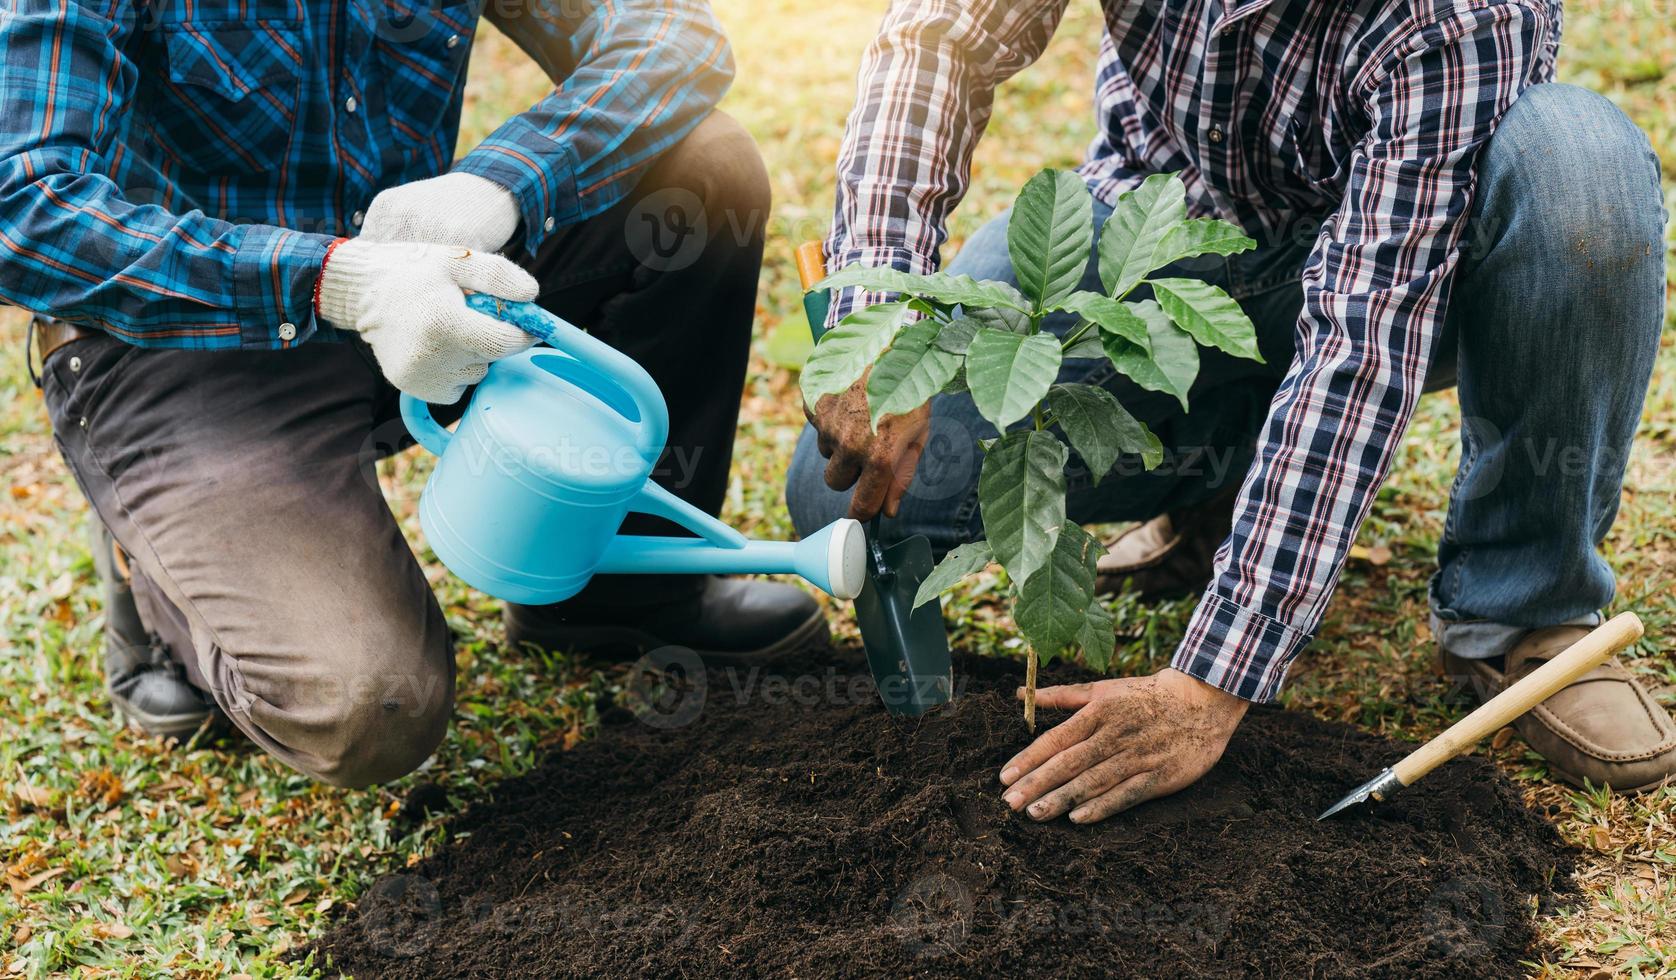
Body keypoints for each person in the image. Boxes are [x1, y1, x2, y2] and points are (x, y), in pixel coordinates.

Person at [788, 0, 1673, 823]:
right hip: (1157, 225)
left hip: (1410, 262)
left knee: (1579, 172)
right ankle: (1225, 486)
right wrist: (878, 312)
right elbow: (939, 40)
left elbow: (1361, 346)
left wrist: (1208, 684)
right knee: (845, 498)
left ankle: (1525, 602)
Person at [3, 0, 824, 787]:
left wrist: (499, 187)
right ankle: (156, 587)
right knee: (372, 707)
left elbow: (672, 32)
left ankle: (614, 591)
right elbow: (20, 207)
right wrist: (333, 280)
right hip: (189, 340)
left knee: (702, 168)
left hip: (429, 277)